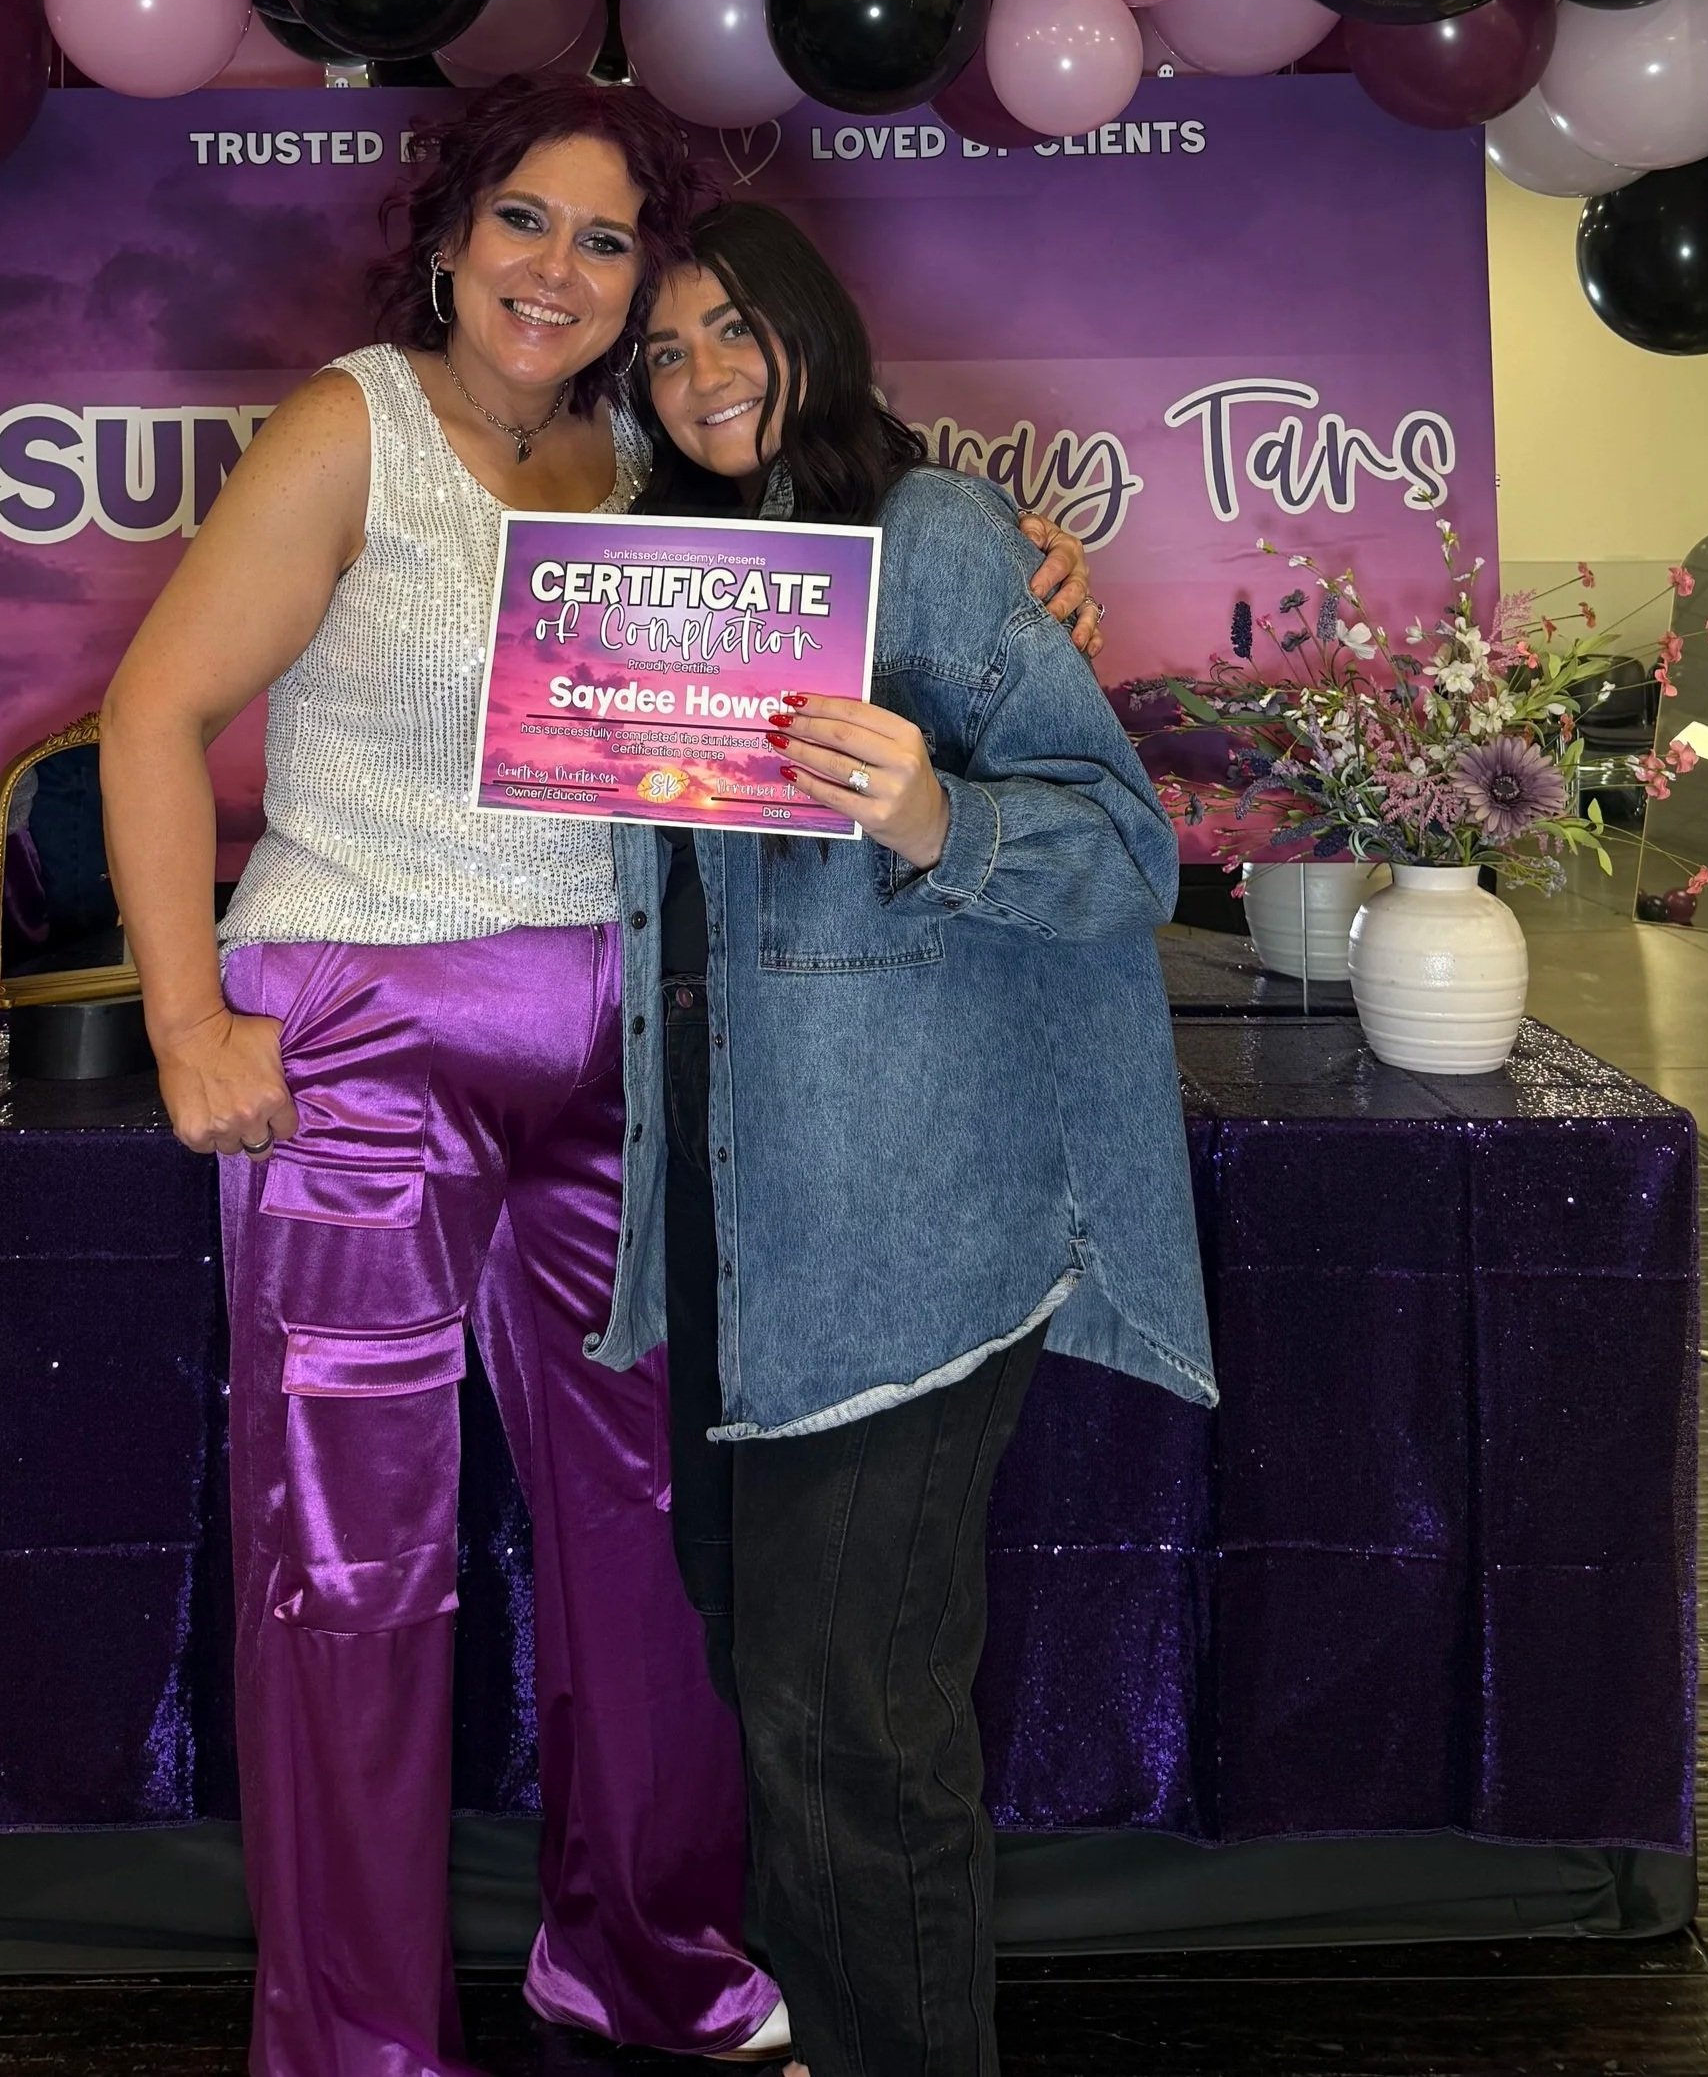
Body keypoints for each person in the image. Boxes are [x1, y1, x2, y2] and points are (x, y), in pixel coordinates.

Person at [98, 83, 1098, 2077]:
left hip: (632, 1046)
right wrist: (187, 1018)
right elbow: (153, 708)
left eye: (609, 241)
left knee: (647, 1541)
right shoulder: (350, 426)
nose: (562, 269)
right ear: (452, 239)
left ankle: (640, 1960)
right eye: (527, 223)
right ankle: (356, 2042)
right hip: (367, 1036)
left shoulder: (643, 449)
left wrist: (1017, 579)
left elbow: (846, 593)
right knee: (351, 1571)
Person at [595, 201, 1218, 2077]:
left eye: (732, 332)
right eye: (666, 350)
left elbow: (1132, 859)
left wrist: (943, 813)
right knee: (777, 1685)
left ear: (816, 332)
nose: (701, 377)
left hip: (911, 1218)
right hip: (729, 1207)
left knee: (852, 1713)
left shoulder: (930, 537)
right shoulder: (651, 571)